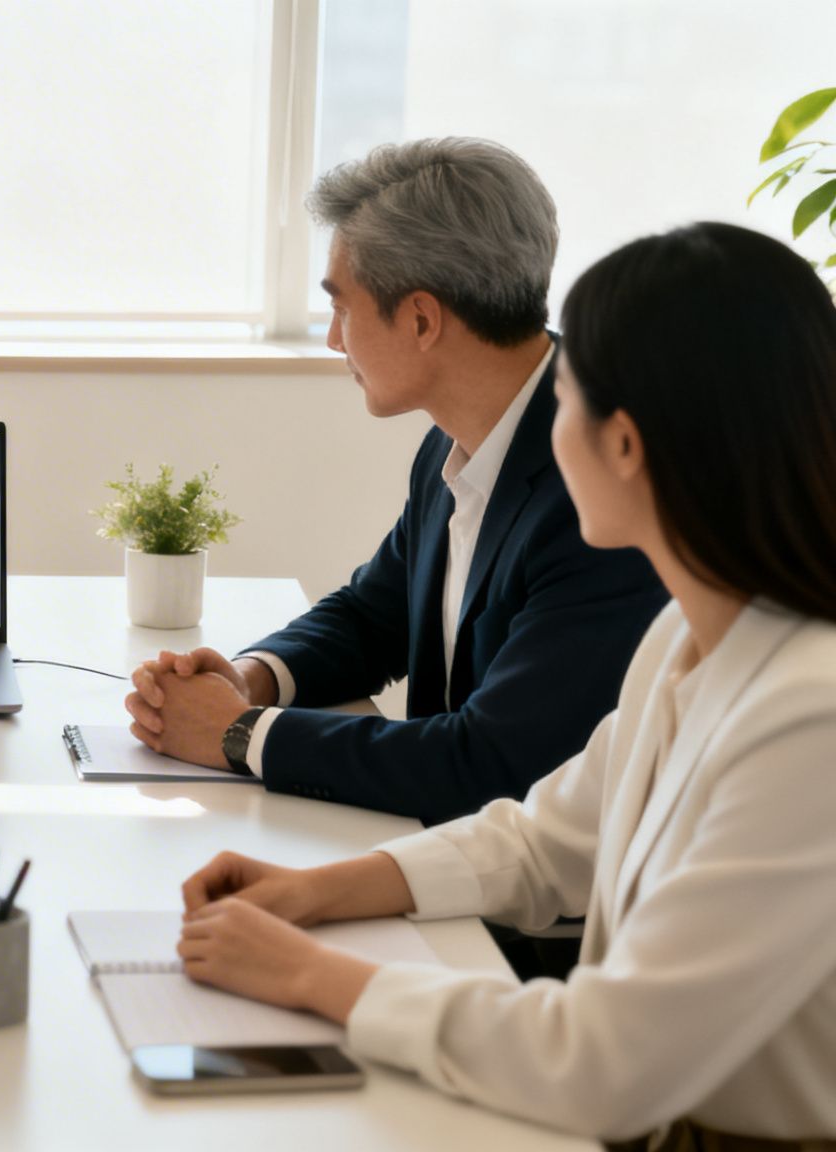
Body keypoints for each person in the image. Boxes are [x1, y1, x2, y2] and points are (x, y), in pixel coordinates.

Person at [172, 222, 836, 1148]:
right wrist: (315, 892)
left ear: (628, 445)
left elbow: (604, 1060)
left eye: (568, 395)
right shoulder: (689, 636)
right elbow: (542, 840)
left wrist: (306, 975)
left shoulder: (811, 717)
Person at [127, 138, 665, 828]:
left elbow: (488, 765)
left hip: (541, 913)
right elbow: (375, 615)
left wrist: (240, 734)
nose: (332, 340)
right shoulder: (462, 433)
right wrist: (251, 679)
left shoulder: (598, 488)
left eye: (342, 308)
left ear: (420, 319)